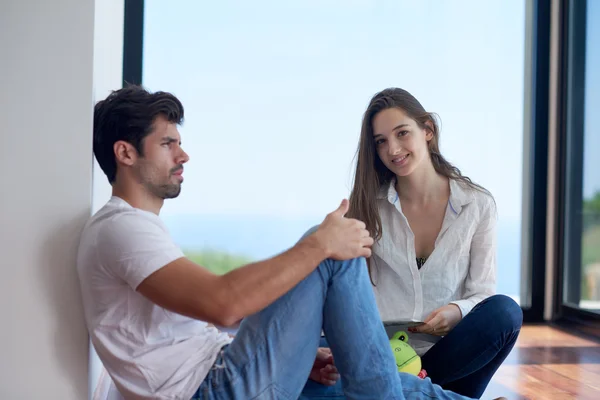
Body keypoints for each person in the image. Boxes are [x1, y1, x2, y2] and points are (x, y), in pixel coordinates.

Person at [77, 85, 482, 400]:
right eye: (168, 144)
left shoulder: (136, 228)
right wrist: (320, 246)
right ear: (125, 153)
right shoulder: (120, 229)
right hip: (215, 390)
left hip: (224, 370)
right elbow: (224, 303)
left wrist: (298, 354)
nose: (184, 155)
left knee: (378, 380)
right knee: (331, 253)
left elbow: (213, 322)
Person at [321, 87, 520, 398]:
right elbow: (345, 296)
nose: (393, 149)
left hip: (449, 357)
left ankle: (406, 391)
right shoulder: (365, 208)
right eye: (381, 141)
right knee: (317, 355)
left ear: (427, 130)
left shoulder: (478, 205)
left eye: (402, 133)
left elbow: (481, 293)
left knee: (505, 313)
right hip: (382, 354)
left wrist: (457, 310)